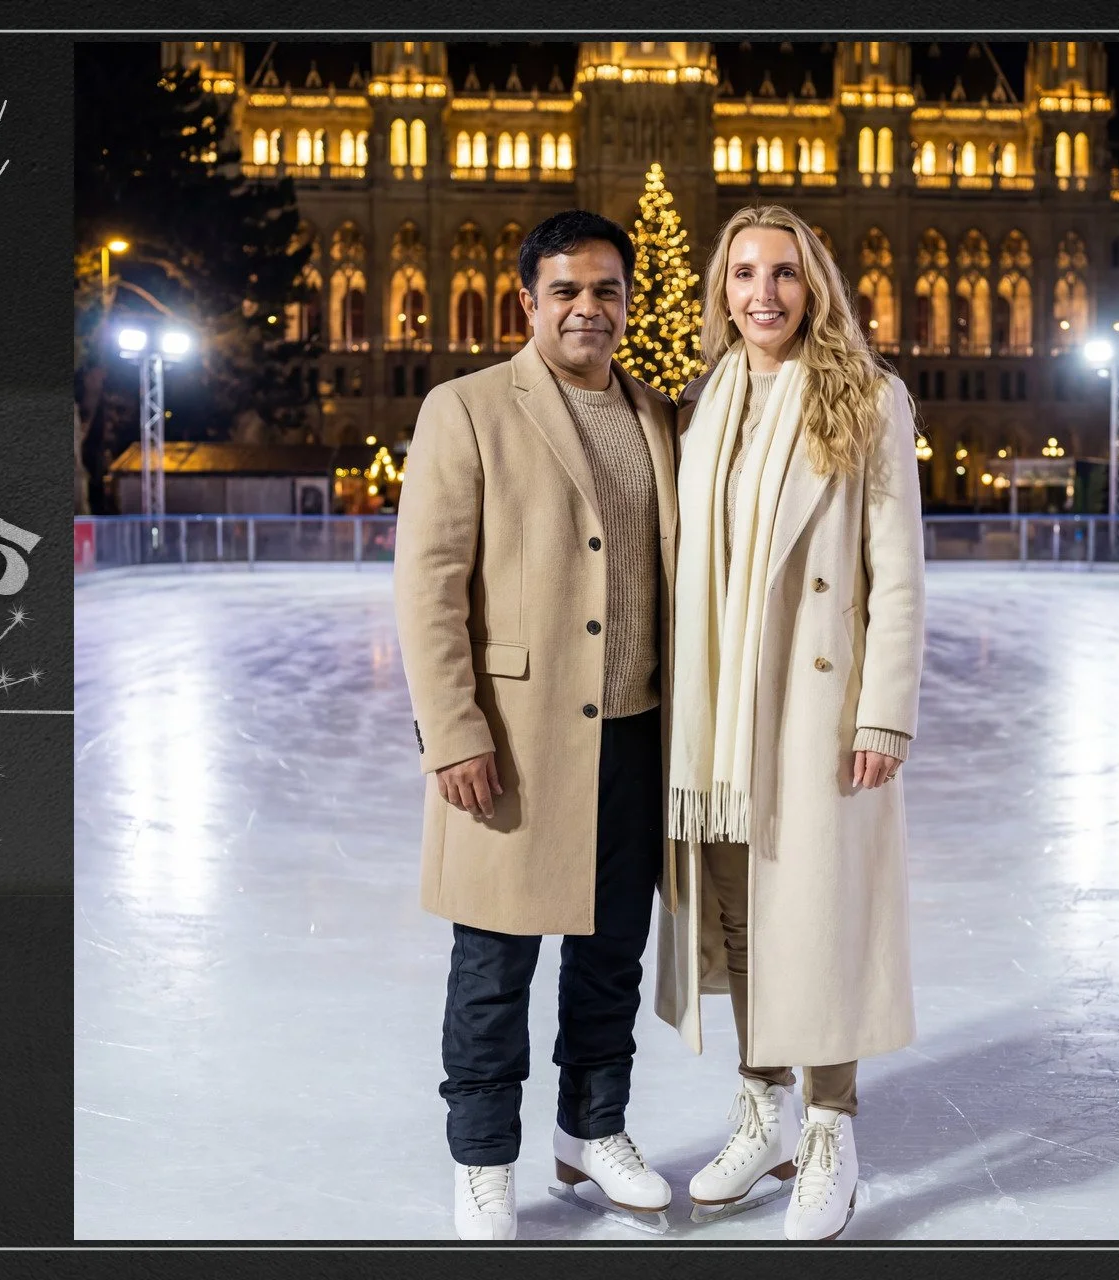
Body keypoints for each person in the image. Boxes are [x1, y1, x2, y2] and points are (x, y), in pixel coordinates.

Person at [394, 210, 679, 1240]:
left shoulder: (661, 414)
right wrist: (455, 729)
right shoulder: (466, 408)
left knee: (612, 955)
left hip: (639, 734)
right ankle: (483, 1156)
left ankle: (591, 1130)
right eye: (566, 290)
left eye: (606, 290)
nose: (587, 309)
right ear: (529, 301)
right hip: (512, 737)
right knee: (495, 959)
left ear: (629, 302)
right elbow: (429, 586)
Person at [653, 204, 926, 1242]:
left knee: (817, 915)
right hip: (715, 712)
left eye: (783, 273)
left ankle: (829, 1126)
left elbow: (896, 573)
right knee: (737, 920)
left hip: (815, 704)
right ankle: (761, 1101)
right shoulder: (707, 399)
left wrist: (883, 714)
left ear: (815, 285)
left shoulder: (867, 397)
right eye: (743, 274)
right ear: (722, 291)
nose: (762, 294)